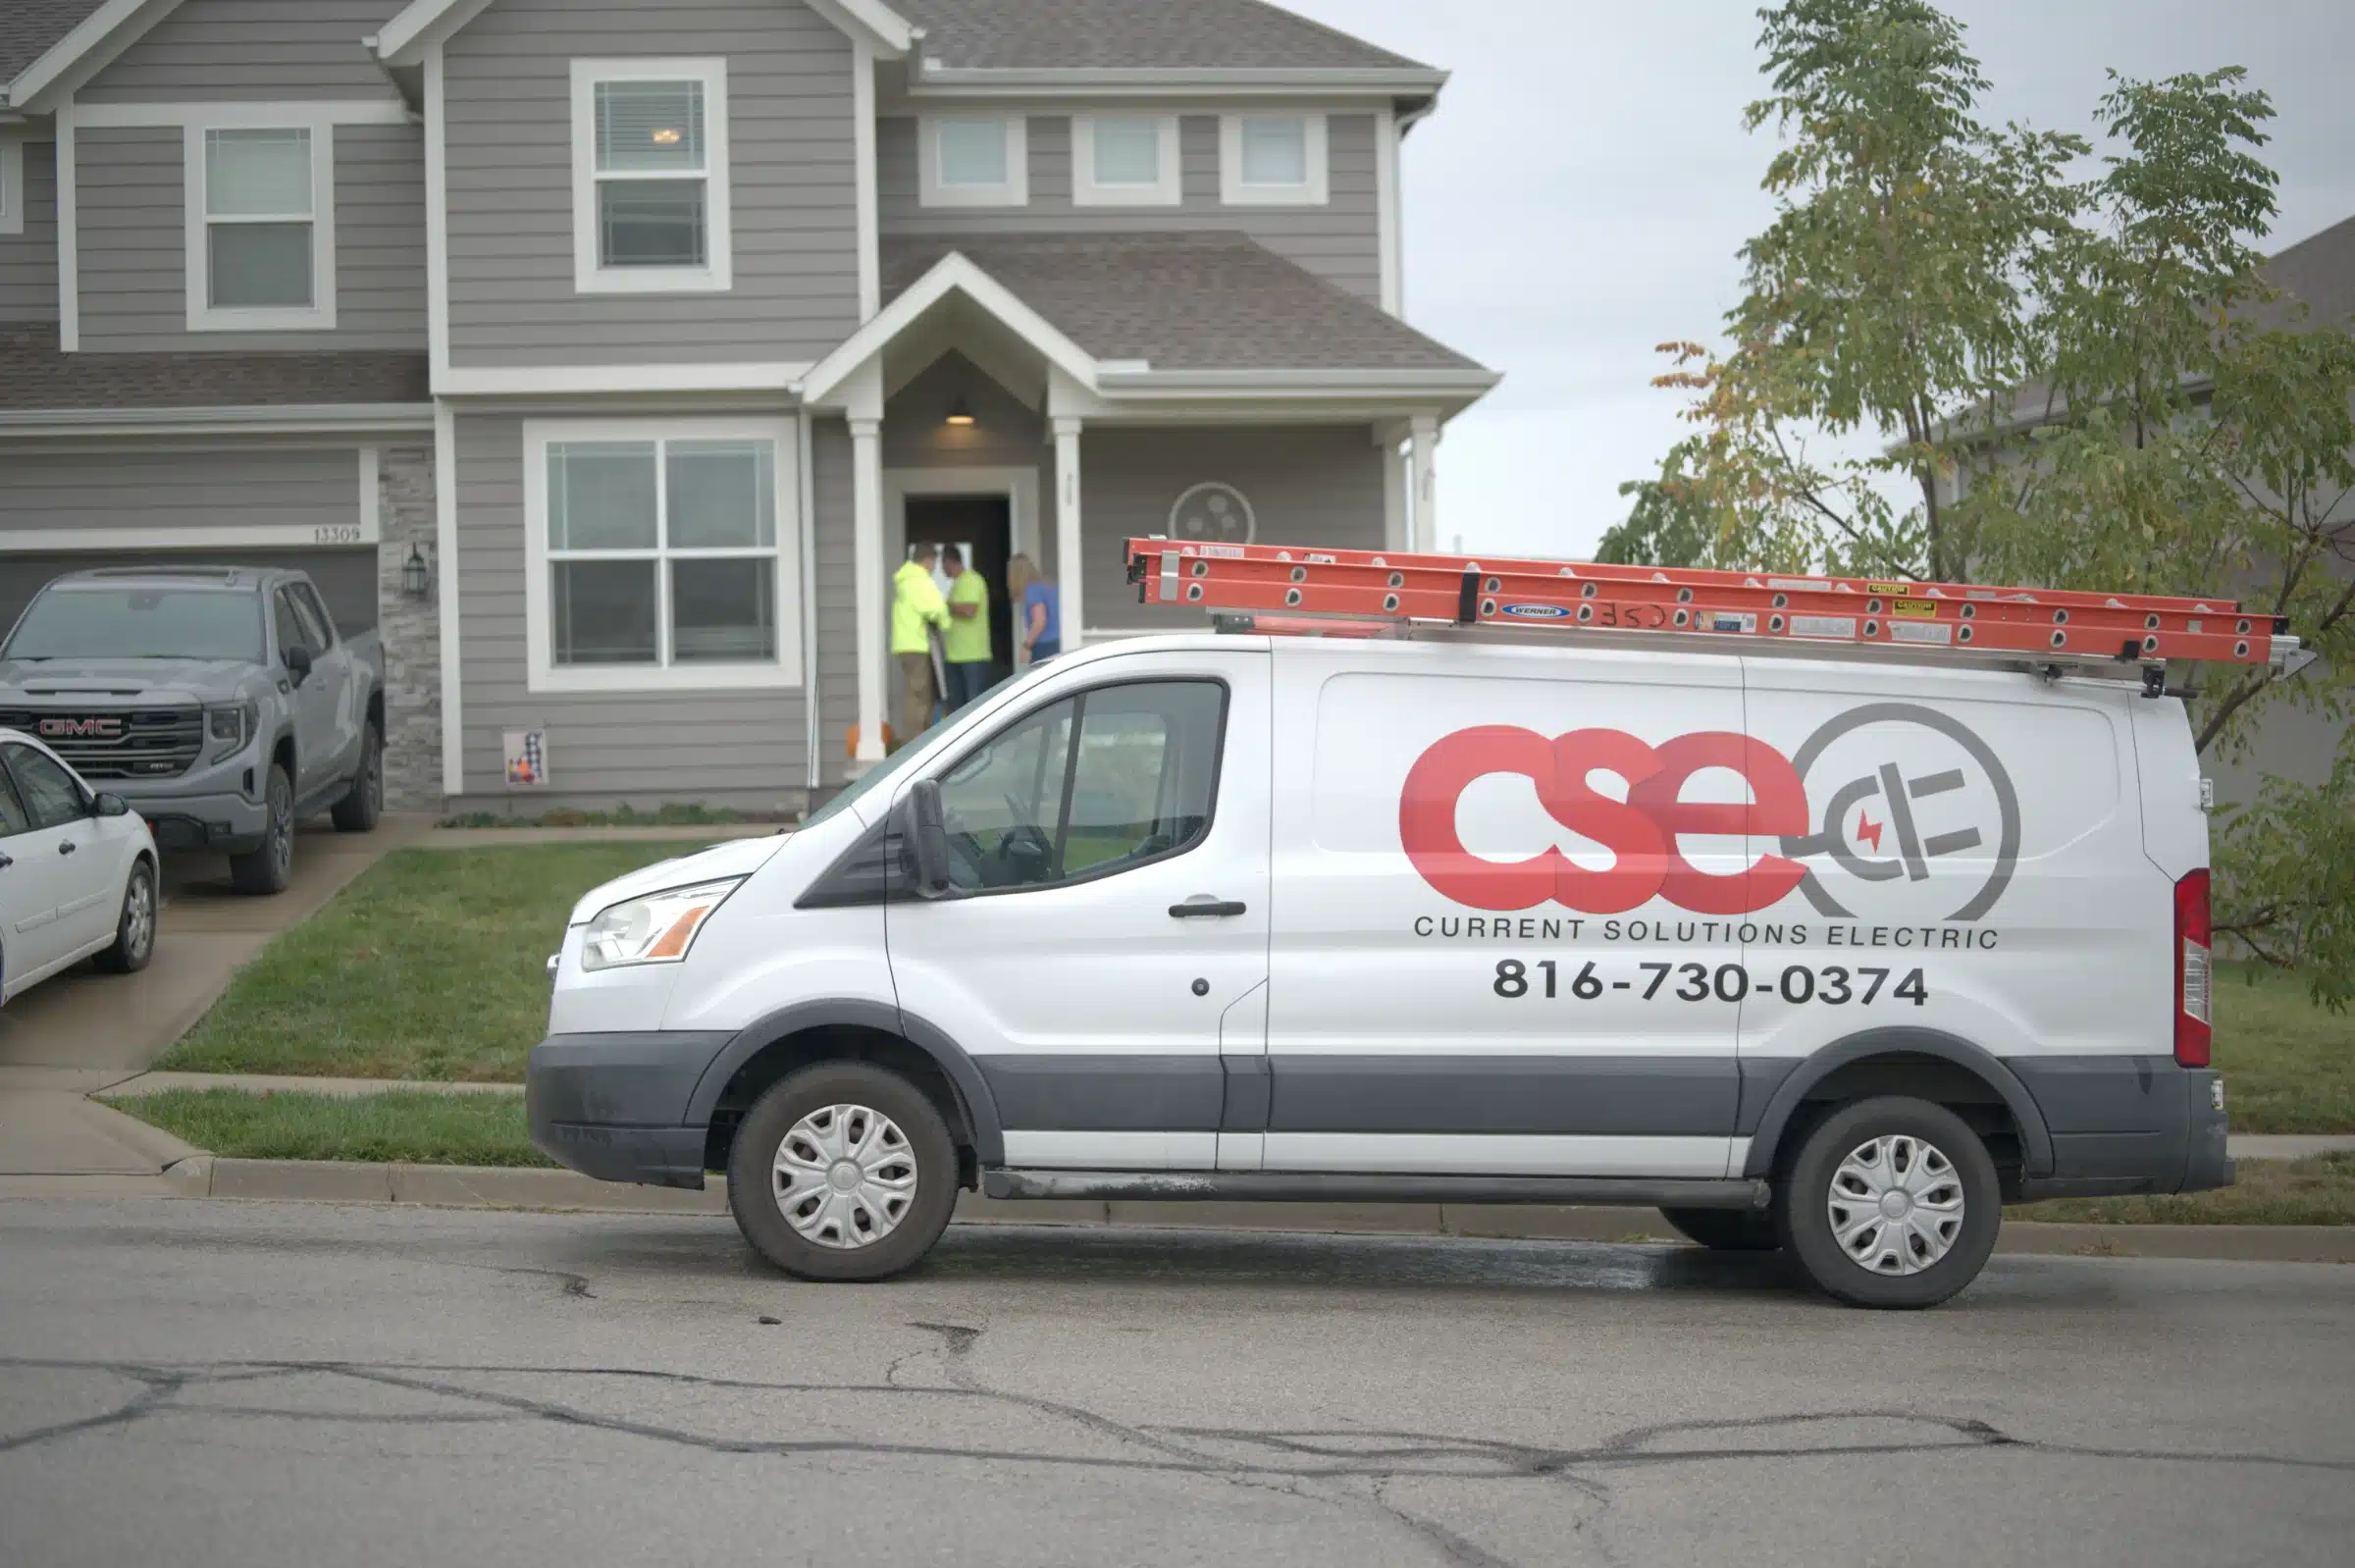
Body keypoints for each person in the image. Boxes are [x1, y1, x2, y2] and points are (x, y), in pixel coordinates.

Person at [890, 544, 951, 748]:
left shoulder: (905, 580)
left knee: (918, 694)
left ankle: (919, 739)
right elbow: (935, 608)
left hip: (905, 645)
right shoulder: (919, 580)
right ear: (927, 561)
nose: (935, 568)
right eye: (934, 562)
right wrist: (946, 623)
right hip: (916, 645)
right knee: (919, 697)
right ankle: (914, 744)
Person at [940, 549, 994, 710]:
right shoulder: (956, 584)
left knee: (974, 708)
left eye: (943, 565)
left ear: (950, 562)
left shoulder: (972, 580)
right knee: (958, 710)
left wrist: (945, 606)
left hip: (973, 656)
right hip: (955, 656)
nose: (942, 570)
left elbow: (970, 611)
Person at [1006, 553, 1061, 663]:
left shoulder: (1032, 590)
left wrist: (1026, 646)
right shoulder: (1047, 587)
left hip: (1045, 645)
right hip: (1057, 641)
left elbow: (1039, 622)